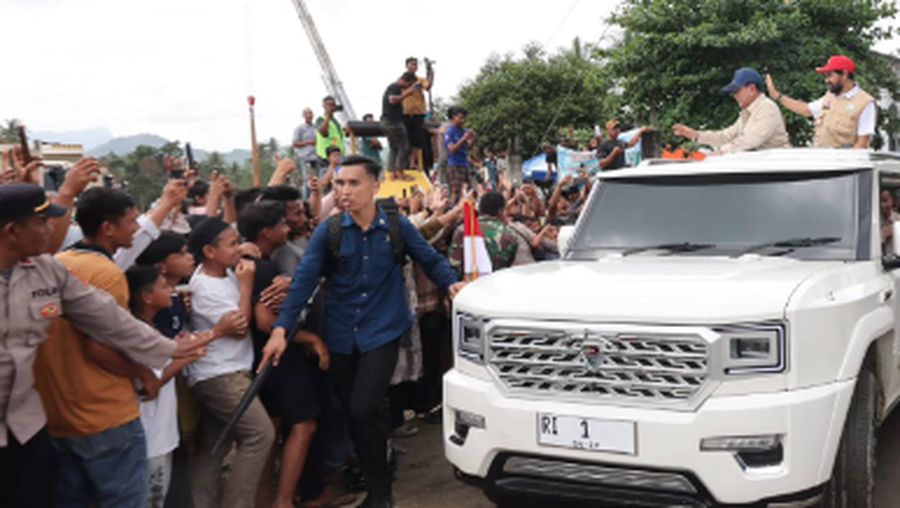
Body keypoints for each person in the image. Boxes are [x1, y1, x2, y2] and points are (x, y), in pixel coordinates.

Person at [259, 156, 465, 508]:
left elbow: (428, 259)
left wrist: (452, 284)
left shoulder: (397, 227)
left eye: (353, 183)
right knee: (356, 412)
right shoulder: (330, 230)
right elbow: (305, 281)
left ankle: (382, 493)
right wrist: (281, 329)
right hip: (341, 332)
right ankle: (377, 469)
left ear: (374, 185)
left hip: (384, 329)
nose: (344, 191)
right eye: (339, 184)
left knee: (362, 407)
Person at [0, 184, 200, 508]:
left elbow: (105, 316)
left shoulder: (47, 269)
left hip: (28, 428)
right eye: (41, 223)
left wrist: (168, 349)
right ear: (12, 231)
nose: (51, 230)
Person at [185, 217, 276, 508]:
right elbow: (239, 327)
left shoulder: (222, 274)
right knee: (260, 435)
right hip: (220, 375)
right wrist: (247, 285)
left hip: (227, 370)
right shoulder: (204, 287)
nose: (239, 248)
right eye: (232, 244)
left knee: (214, 447)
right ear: (210, 252)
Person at [126, 265, 203, 508]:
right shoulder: (139, 333)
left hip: (161, 433)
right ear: (147, 297)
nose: (171, 291)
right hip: (151, 436)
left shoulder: (151, 329)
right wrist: (187, 358)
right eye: (164, 286)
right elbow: (152, 383)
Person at [766, 55, 877, 149]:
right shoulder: (829, 97)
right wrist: (778, 96)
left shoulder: (865, 102)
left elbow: (862, 143)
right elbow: (806, 110)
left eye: (830, 75)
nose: (826, 80)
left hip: (843, 167)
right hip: (822, 161)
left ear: (844, 74)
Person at [673, 67, 791, 155]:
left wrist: (721, 152)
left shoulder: (767, 108)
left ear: (752, 89)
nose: (734, 96)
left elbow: (750, 141)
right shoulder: (747, 113)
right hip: (762, 171)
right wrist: (695, 135)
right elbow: (726, 136)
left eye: (737, 91)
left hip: (778, 171)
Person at [450, 192, 519, 277]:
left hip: (466, 285)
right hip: (497, 284)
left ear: (479, 209)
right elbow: (509, 265)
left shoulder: (463, 230)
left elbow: (454, 263)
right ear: (501, 211)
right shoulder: (510, 234)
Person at [382, 72, 419, 181]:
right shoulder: (395, 87)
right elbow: (393, 100)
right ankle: (400, 172)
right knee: (404, 147)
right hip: (394, 122)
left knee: (394, 148)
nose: (408, 87)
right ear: (407, 81)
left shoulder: (392, 87)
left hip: (386, 121)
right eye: (410, 85)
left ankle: (393, 172)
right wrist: (408, 93)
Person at [402, 57, 434, 170]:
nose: (413, 66)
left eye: (415, 64)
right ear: (407, 66)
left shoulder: (420, 80)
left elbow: (428, 86)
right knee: (406, 139)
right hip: (405, 113)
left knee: (416, 140)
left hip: (418, 113)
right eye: (411, 64)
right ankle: (404, 163)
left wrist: (430, 73)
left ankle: (413, 162)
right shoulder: (401, 80)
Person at [444, 106, 476, 203]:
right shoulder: (450, 132)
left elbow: (467, 148)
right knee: (456, 191)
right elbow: (452, 149)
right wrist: (464, 139)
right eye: (460, 117)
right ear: (453, 118)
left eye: (464, 118)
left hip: (464, 164)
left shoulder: (464, 131)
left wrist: (473, 139)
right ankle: (451, 209)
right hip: (454, 164)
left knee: (467, 190)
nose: (463, 120)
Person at [316, 96, 346, 165]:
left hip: (338, 156)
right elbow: (323, 133)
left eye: (333, 105)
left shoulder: (336, 122)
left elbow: (341, 136)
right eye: (329, 104)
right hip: (326, 156)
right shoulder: (320, 119)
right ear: (324, 106)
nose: (332, 107)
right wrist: (328, 115)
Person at [293, 107, 320, 175]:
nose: (309, 115)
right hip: (305, 157)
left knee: (318, 177)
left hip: (316, 156)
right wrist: (309, 142)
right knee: (307, 178)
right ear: (303, 116)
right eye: (307, 114)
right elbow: (295, 144)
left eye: (310, 113)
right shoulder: (300, 128)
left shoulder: (316, 127)